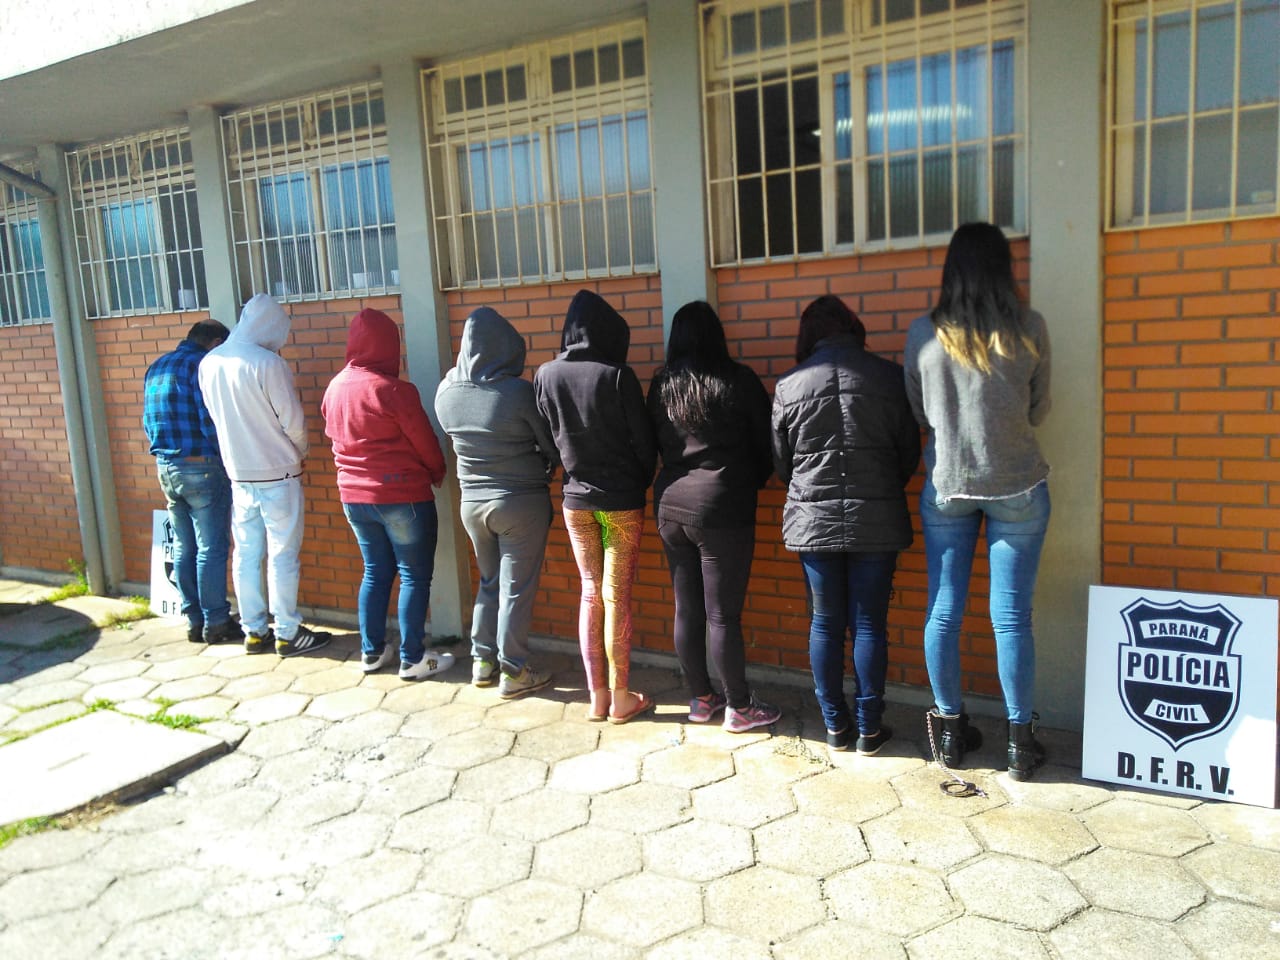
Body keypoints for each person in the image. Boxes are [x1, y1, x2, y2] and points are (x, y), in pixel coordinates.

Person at [904, 221, 1052, 782]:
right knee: (1011, 617)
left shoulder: (924, 333)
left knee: (944, 610)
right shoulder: (1029, 327)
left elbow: (919, 411)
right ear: (1004, 268)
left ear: (951, 270)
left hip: (949, 486)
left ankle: (949, 734)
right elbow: (1039, 408)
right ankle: (1020, 746)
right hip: (1017, 485)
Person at [772, 295, 920, 756]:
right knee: (870, 623)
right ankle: (869, 730)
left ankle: (835, 726)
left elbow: (782, 463)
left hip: (813, 522)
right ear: (853, 327)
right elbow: (908, 453)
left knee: (825, 622)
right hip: (877, 519)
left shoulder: (789, 385)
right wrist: (881, 489)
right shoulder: (890, 377)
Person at [647, 301, 780, 733]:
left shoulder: (663, 384)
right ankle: (739, 708)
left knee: (687, 609)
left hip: (670, 504)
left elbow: (652, 443)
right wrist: (748, 481)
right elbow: (766, 444)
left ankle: (701, 699)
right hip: (722, 506)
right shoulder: (737, 380)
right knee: (722, 615)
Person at [534, 289, 656, 724]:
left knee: (590, 591)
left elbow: (548, 440)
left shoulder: (545, 375)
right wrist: (638, 483)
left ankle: (597, 698)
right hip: (621, 501)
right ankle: (622, 698)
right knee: (616, 595)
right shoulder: (617, 376)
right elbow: (645, 444)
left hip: (576, 500)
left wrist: (571, 470)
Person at [322, 307, 456, 681]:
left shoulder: (335, 388)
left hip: (354, 498)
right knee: (414, 576)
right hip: (402, 495)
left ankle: (372, 652)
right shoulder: (393, 390)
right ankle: (413, 659)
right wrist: (437, 472)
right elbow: (425, 442)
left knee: (375, 572)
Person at [199, 293, 330, 657]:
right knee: (282, 554)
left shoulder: (210, 362)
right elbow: (292, 421)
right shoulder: (268, 363)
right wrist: (301, 452)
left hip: (239, 474)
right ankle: (287, 632)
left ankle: (254, 631)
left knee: (245, 554)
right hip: (279, 472)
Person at [436, 307, 558, 699]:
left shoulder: (446, 391)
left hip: (471, 504)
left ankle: (482, 661)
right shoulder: (516, 392)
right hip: (519, 503)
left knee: (489, 582)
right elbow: (550, 445)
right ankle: (514, 671)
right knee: (515, 589)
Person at [142, 320, 242, 646]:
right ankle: (217, 621)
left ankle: (194, 621)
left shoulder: (157, 366)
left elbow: (148, 421)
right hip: (201, 466)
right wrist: (227, 458)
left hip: (166, 466)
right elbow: (209, 420)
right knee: (212, 548)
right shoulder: (202, 366)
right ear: (215, 342)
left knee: (185, 547)